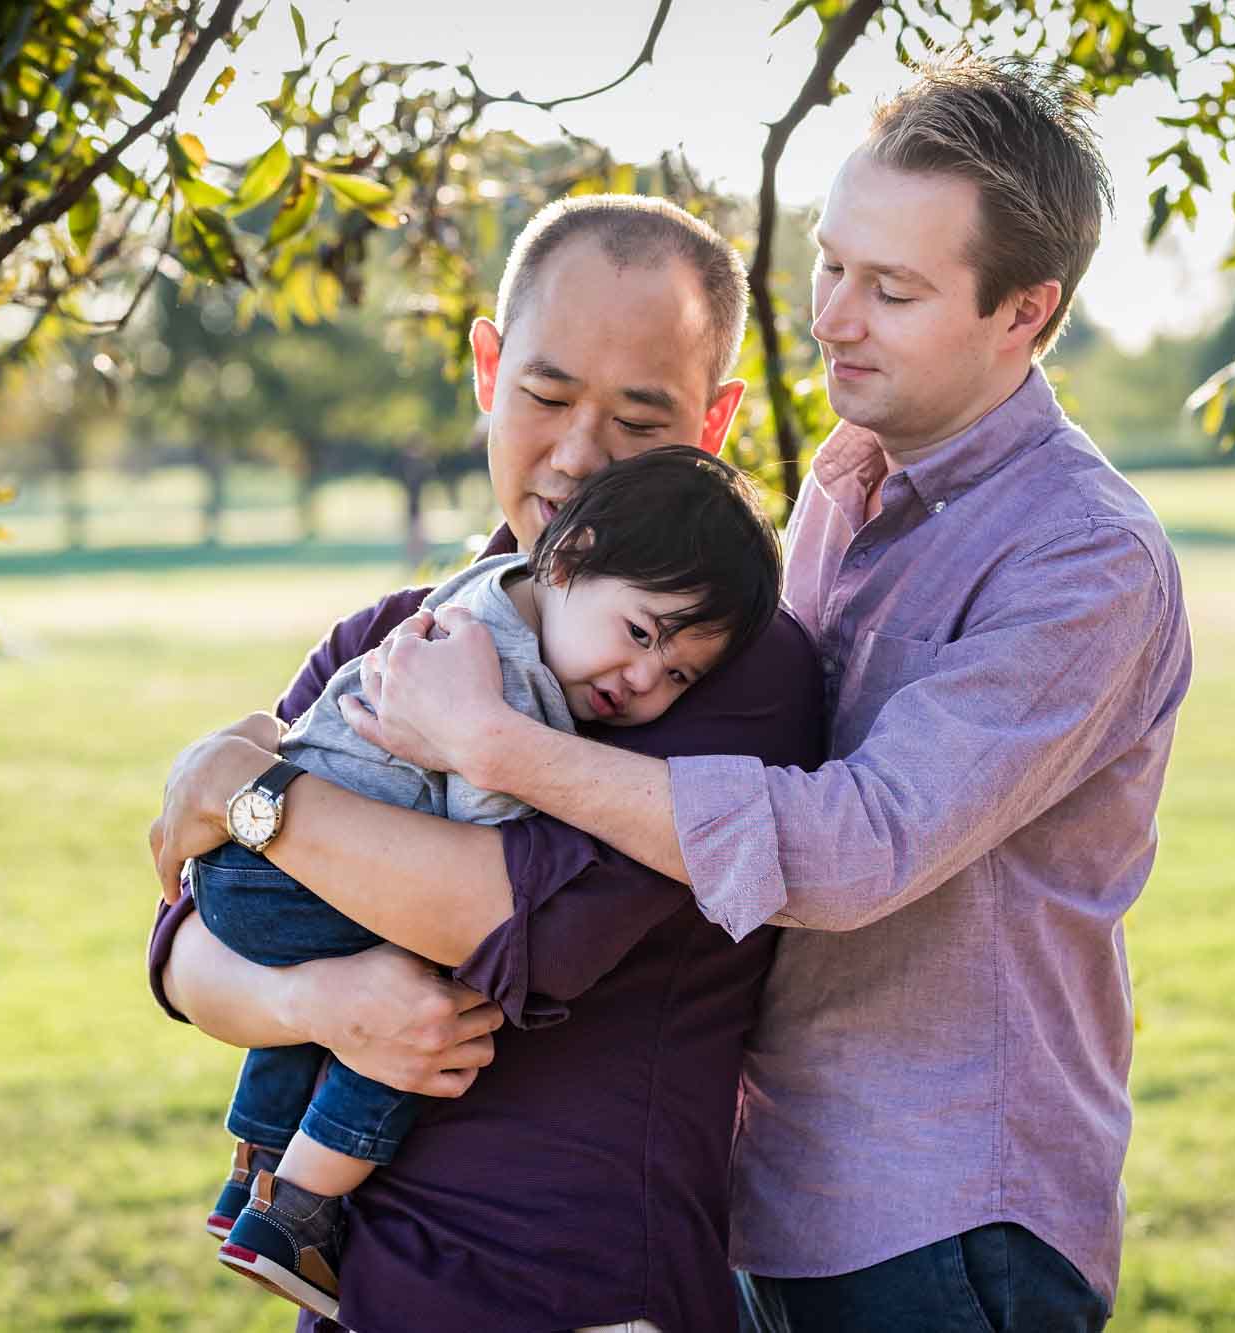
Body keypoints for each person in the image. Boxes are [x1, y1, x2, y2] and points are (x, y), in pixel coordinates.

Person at [341, 55, 1194, 1332]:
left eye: (891, 290)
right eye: (833, 265)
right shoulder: (840, 496)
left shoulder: (1080, 557)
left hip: (948, 1222)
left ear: (1022, 312)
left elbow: (856, 846)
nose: (835, 318)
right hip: (767, 1192)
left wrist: (494, 745)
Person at [145, 194, 824, 1333]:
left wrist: (247, 790)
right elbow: (185, 942)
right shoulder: (394, 632)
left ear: (711, 425)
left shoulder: (713, 665)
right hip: (356, 1287)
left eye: (639, 419)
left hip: (577, 1285)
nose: (575, 457)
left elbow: (515, 924)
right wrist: (318, 998)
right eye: (546, 395)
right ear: (487, 369)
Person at [195, 447, 782, 1318]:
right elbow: (489, 860)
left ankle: (256, 1164)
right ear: (574, 553)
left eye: (679, 673)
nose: (643, 679)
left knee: (366, 975)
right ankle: (300, 1211)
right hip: (282, 873)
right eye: (642, 633)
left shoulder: (488, 591)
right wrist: (501, 755)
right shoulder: (512, 676)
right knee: (442, 983)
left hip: (248, 866)